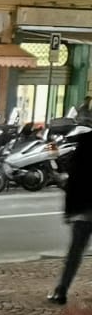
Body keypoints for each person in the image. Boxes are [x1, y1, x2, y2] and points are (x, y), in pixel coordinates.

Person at [49, 124, 91, 303]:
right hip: (84, 208)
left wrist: (69, 209)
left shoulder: (87, 142)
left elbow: (75, 178)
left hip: (84, 208)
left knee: (75, 252)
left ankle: (62, 291)